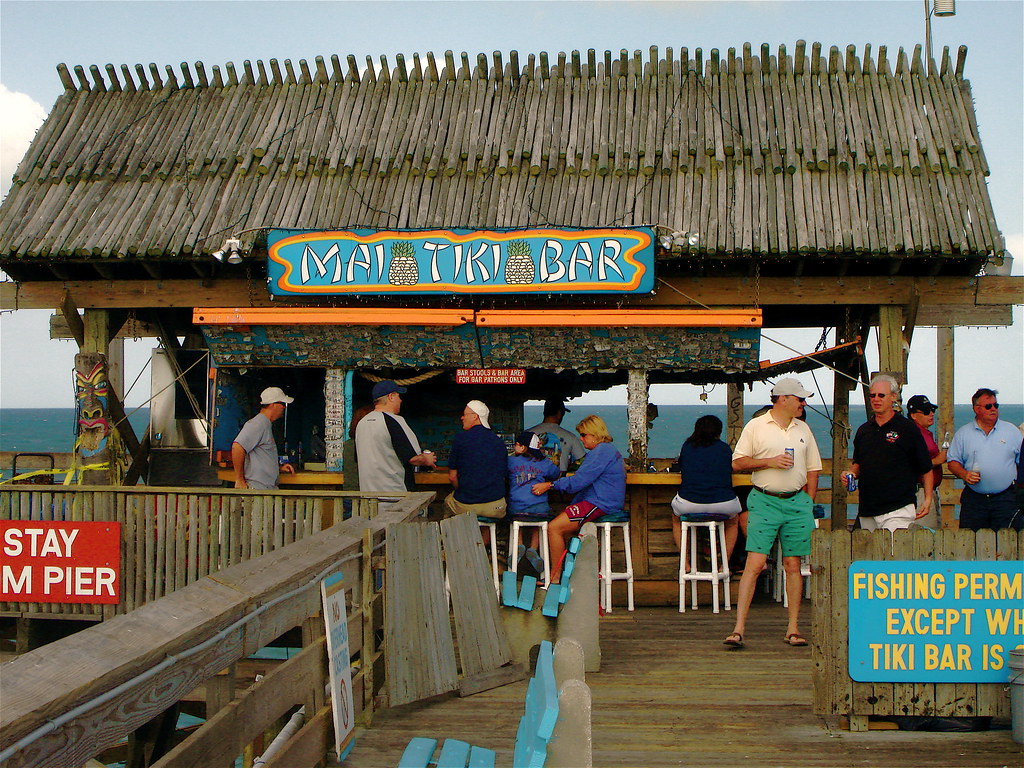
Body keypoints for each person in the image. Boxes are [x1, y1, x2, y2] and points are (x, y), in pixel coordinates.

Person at [725, 377, 822, 649]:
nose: (803, 404)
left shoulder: (803, 429)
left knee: (793, 564)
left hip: (796, 503)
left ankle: (793, 628)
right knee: (755, 563)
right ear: (783, 399)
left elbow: (813, 468)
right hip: (765, 500)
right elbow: (737, 463)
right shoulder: (756, 426)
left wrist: (809, 499)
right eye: (799, 399)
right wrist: (769, 462)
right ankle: (738, 628)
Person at [531, 414, 626, 585]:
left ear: (595, 434)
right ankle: (574, 576)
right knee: (566, 530)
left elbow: (578, 482)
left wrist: (550, 485)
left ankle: (556, 578)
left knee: (554, 528)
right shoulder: (607, 451)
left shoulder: (601, 452)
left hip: (601, 503)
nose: (581, 439)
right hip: (603, 501)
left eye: (583, 435)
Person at [844, 375, 933, 532]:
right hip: (868, 509)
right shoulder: (864, 431)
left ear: (893, 397)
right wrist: (850, 473)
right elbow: (859, 464)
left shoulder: (907, 428)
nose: (876, 399)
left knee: (893, 548)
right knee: (869, 548)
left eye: (881, 395)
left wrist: (927, 499)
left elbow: (925, 467)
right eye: (872, 395)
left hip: (898, 508)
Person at [946, 387, 1023, 531]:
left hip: (1006, 499)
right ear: (976, 409)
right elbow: (953, 462)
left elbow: (1022, 462)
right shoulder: (963, 434)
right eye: (988, 406)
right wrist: (964, 474)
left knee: (1007, 539)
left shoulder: (1012, 431)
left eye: (995, 405)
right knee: (970, 539)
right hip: (974, 501)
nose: (993, 409)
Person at [670, 415, 742, 560]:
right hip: (724, 504)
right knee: (733, 522)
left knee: (676, 519)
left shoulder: (688, 447)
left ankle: (685, 563)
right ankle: (724, 564)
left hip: (689, 503)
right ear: (718, 431)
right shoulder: (724, 448)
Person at [355, 380, 436, 493]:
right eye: (398, 396)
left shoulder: (362, 423)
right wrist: (427, 459)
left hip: (367, 495)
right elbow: (413, 458)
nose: (401, 400)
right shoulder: (394, 421)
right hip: (395, 494)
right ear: (391, 397)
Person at [445, 401, 508, 535]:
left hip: (466, 504)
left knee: (448, 502)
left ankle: (455, 543)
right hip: (495, 507)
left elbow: (452, 477)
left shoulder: (460, 439)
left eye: (465, 415)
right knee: (489, 518)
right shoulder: (499, 442)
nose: (462, 418)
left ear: (475, 416)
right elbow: (502, 475)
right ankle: (483, 545)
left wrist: (462, 490)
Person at [507, 431, 560, 571]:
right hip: (539, 510)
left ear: (522, 447)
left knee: (516, 518)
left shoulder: (511, 461)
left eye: (517, 444)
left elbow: (502, 472)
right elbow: (556, 473)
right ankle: (533, 548)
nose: (514, 446)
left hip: (517, 509)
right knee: (537, 518)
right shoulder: (544, 463)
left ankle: (519, 544)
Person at [232, 386, 296, 489]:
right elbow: (237, 447)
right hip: (257, 489)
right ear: (273, 404)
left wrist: (278, 468)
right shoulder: (258, 424)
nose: (284, 407)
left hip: (265, 490)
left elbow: (261, 456)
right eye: (282, 404)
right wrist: (239, 480)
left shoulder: (265, 424)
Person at [906, 394, 946, 528]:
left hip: (930, 491)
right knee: (923, 533)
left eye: (932, 410)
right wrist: (937, 460)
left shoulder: (926, 433)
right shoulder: (912, 434)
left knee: (934, 532)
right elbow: (911, 464)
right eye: (926, 411)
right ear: (913, 415)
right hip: (919, 491)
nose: (931, 414)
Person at [525, 399, 587, 473]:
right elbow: (582, 461)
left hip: (532, 477)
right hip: (560, 478)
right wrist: (569, 468)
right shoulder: (570, 436)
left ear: (544, 412)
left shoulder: (527, 434)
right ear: (559, 413)